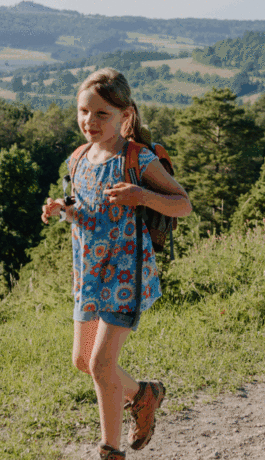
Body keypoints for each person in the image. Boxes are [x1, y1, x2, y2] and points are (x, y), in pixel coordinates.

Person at [42, 68, 191, 460]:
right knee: (83, 361)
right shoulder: (77, 160)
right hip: (89, 273)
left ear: (125, 116)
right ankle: (145, 394)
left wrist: (140, 195)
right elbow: (86, 211)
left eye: (101, 114)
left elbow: (183, 204)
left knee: (101, 363)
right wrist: (63, 210)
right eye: (83, 112)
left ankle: (110, 451)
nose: (89, 121)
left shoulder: (137, 158)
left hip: (126, 274)